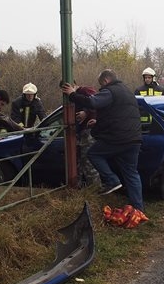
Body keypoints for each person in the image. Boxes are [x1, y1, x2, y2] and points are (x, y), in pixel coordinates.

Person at [61, 69, 144, 211]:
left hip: (118, 137)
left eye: (101, 84)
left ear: (106, 81)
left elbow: (92, 102)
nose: (101, 87)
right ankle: (138, 209)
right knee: (131, 173)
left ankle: (112, 181)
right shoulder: (128, 92)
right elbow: (118, 115)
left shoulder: (110, 91)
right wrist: (97, 121)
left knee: (94, 153)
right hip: (134, 138)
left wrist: (72, 95)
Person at [74, 83, 101, 188]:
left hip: (88, 131)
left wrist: (86, 112)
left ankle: (95, 189)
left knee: (89, 161)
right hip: (79, 133)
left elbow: (96, 102)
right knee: (80, 162)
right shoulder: (72, 98)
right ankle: (80, 188)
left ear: (74, 84)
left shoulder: (85, 90)